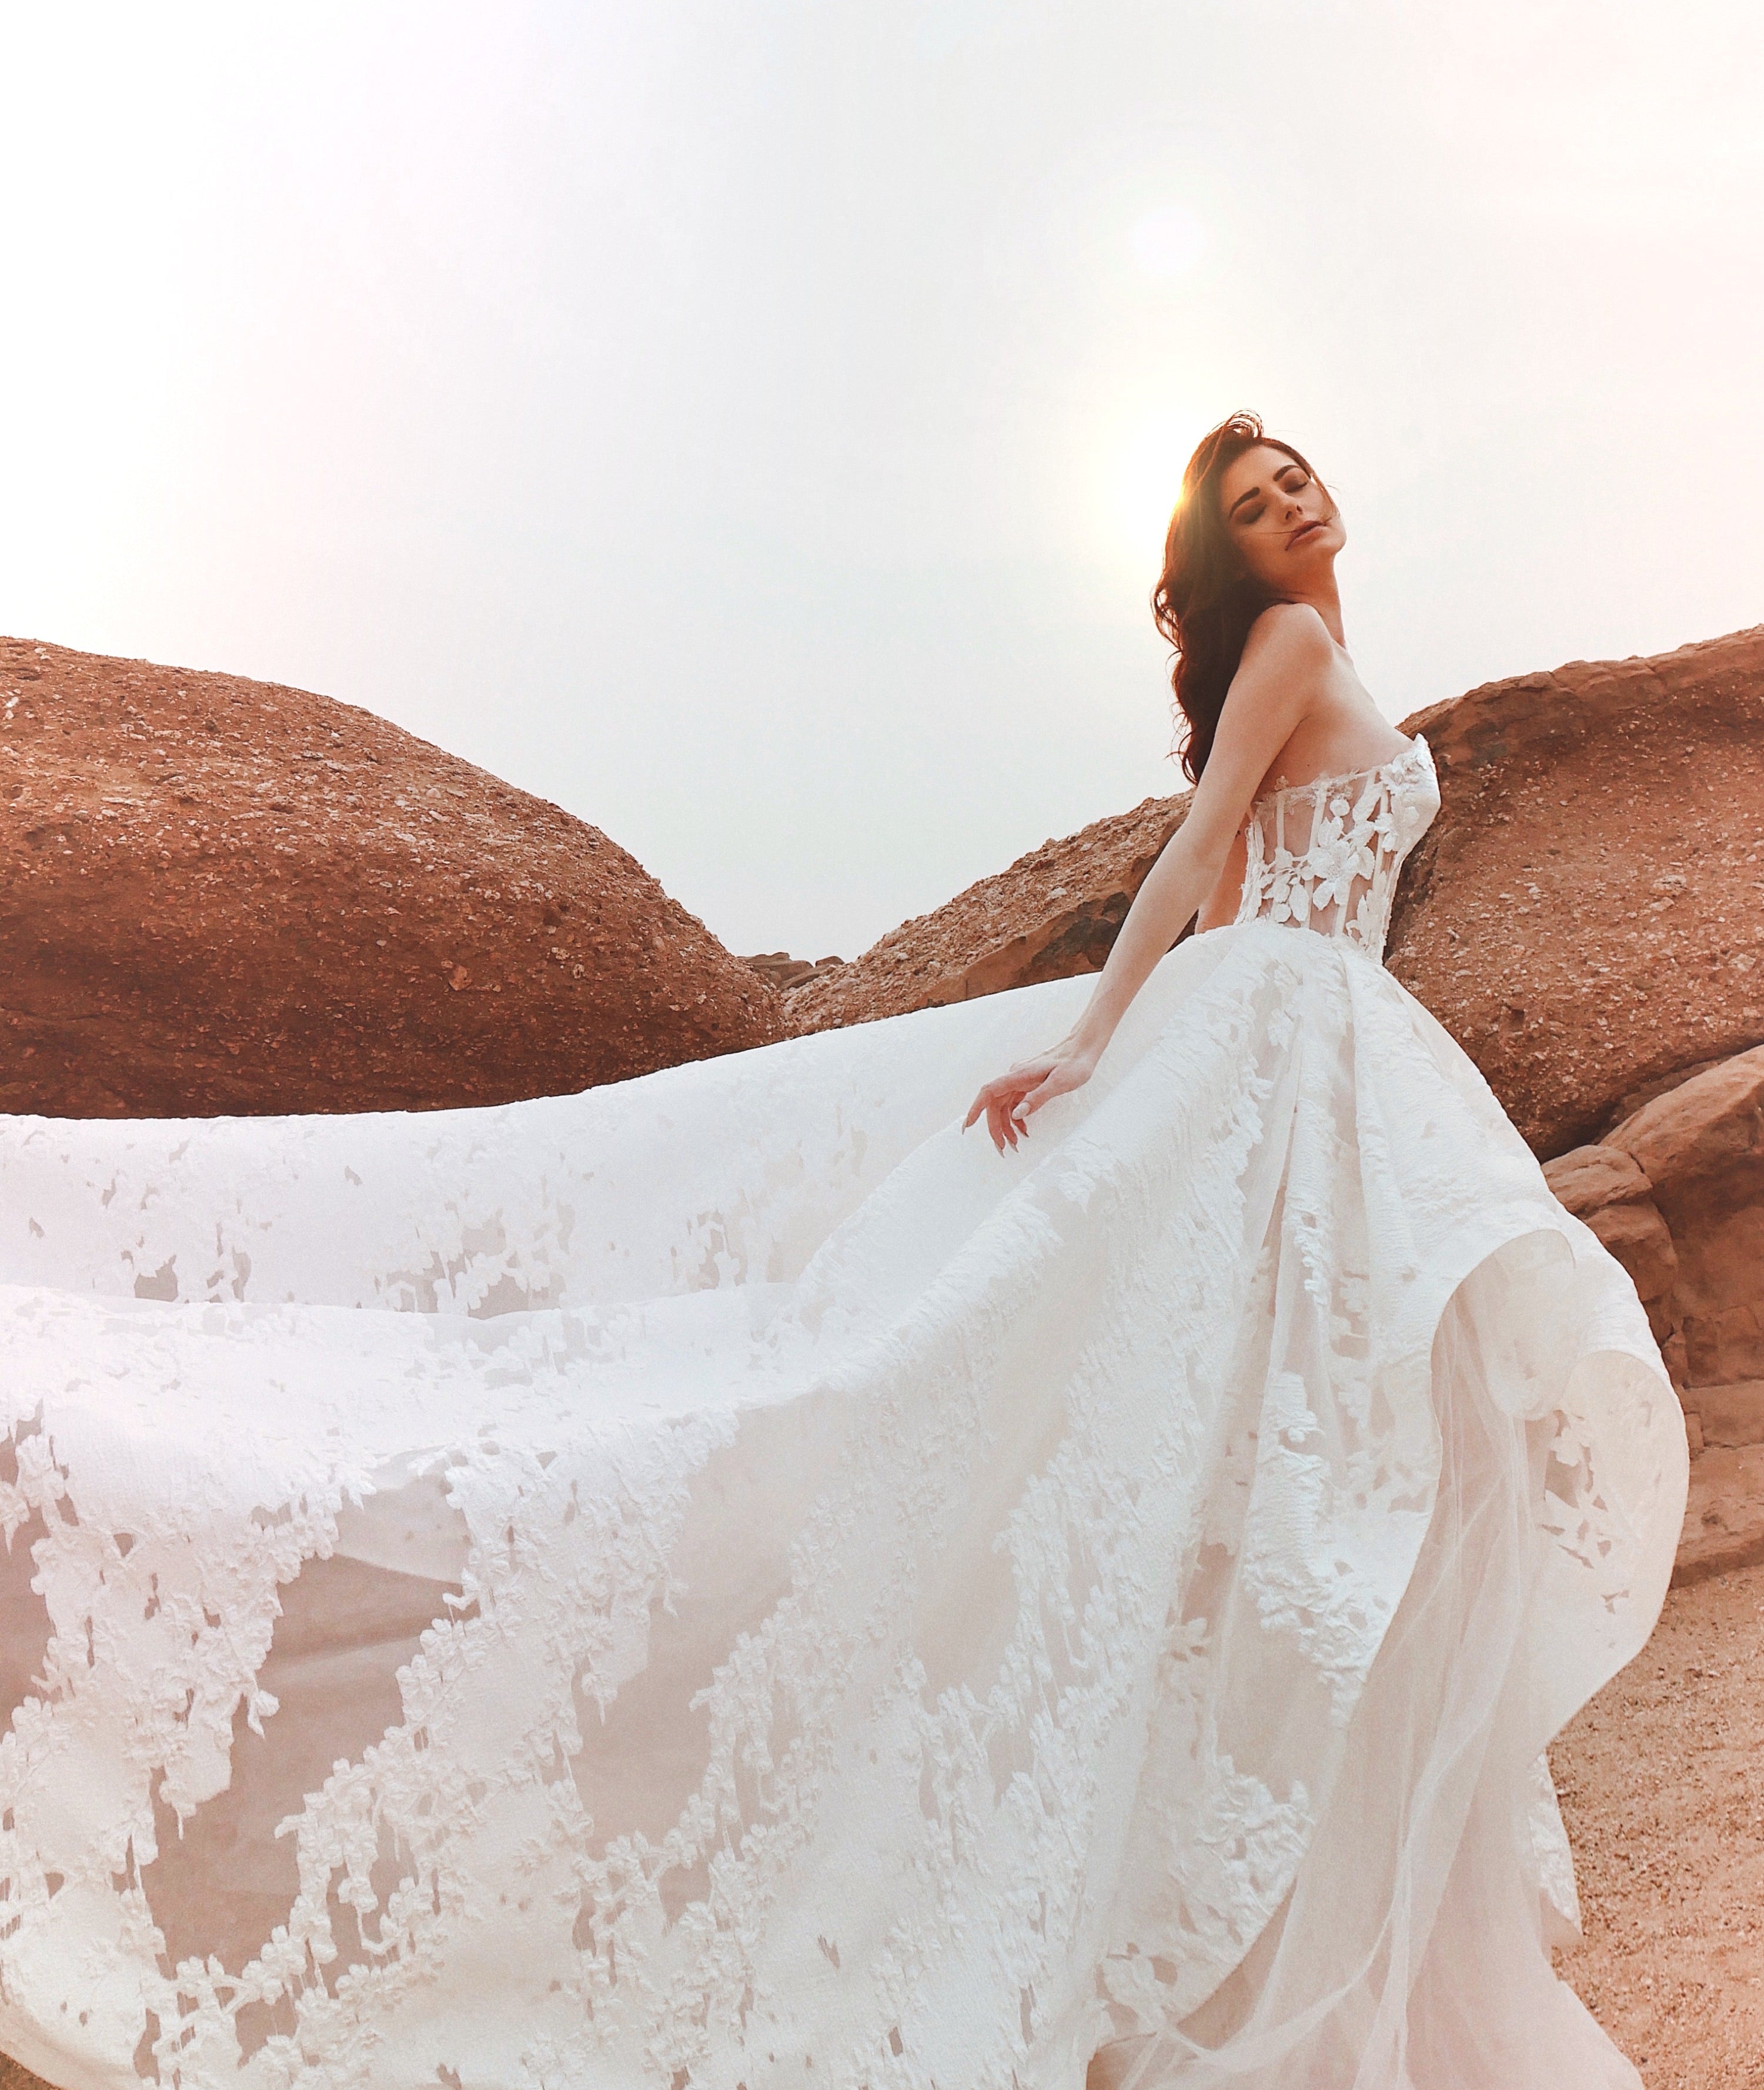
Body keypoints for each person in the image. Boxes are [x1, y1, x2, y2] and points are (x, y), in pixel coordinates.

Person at [0, 415, 1683, 2090]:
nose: (1288, 501)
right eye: (1252, 505)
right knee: (1308, 1451)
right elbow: (1202, 852)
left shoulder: (1323, 651)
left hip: (1310, 1048)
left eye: (1289, 476)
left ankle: (1245, 1901)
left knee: (1276, 1461)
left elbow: (1249, 889)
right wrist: (1107, 1047)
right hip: (1290, 1039)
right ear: (1239, 566)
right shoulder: (1299, 642)